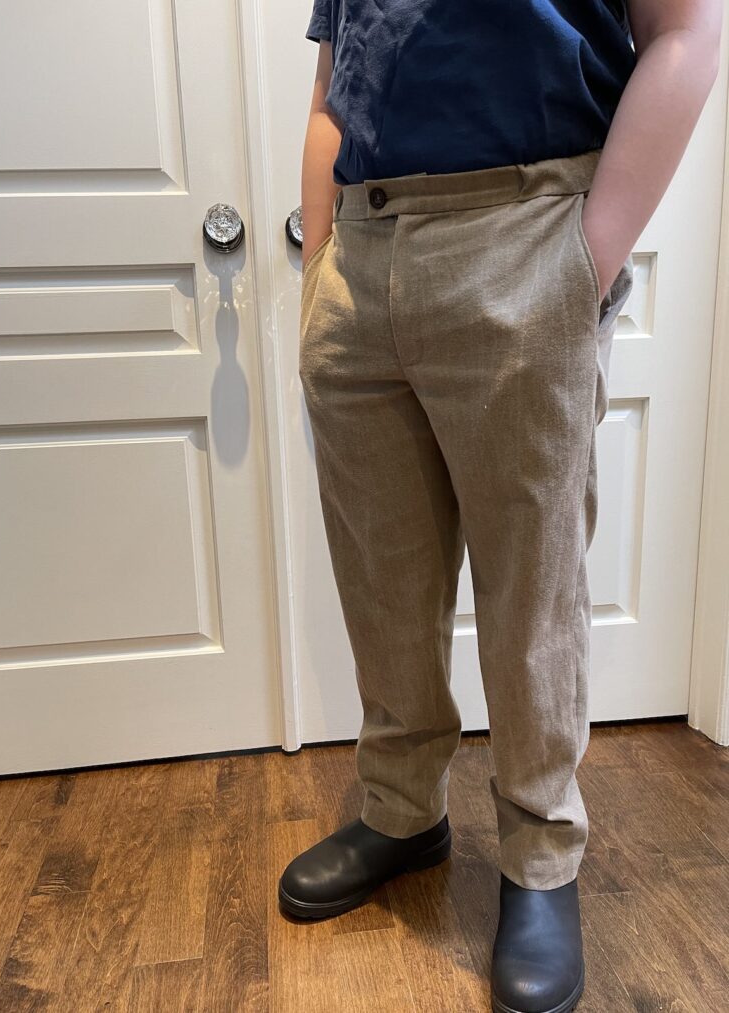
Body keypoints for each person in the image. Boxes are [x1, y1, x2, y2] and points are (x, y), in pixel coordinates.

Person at [280, 2, 722, 1010]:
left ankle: (540, 852)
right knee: (380, 572)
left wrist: (582, 262)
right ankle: (399, 810)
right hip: (362, 244)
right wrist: (316, 274)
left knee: (533, 586)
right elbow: (332, 78)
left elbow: (689, 30)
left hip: (523, 229)